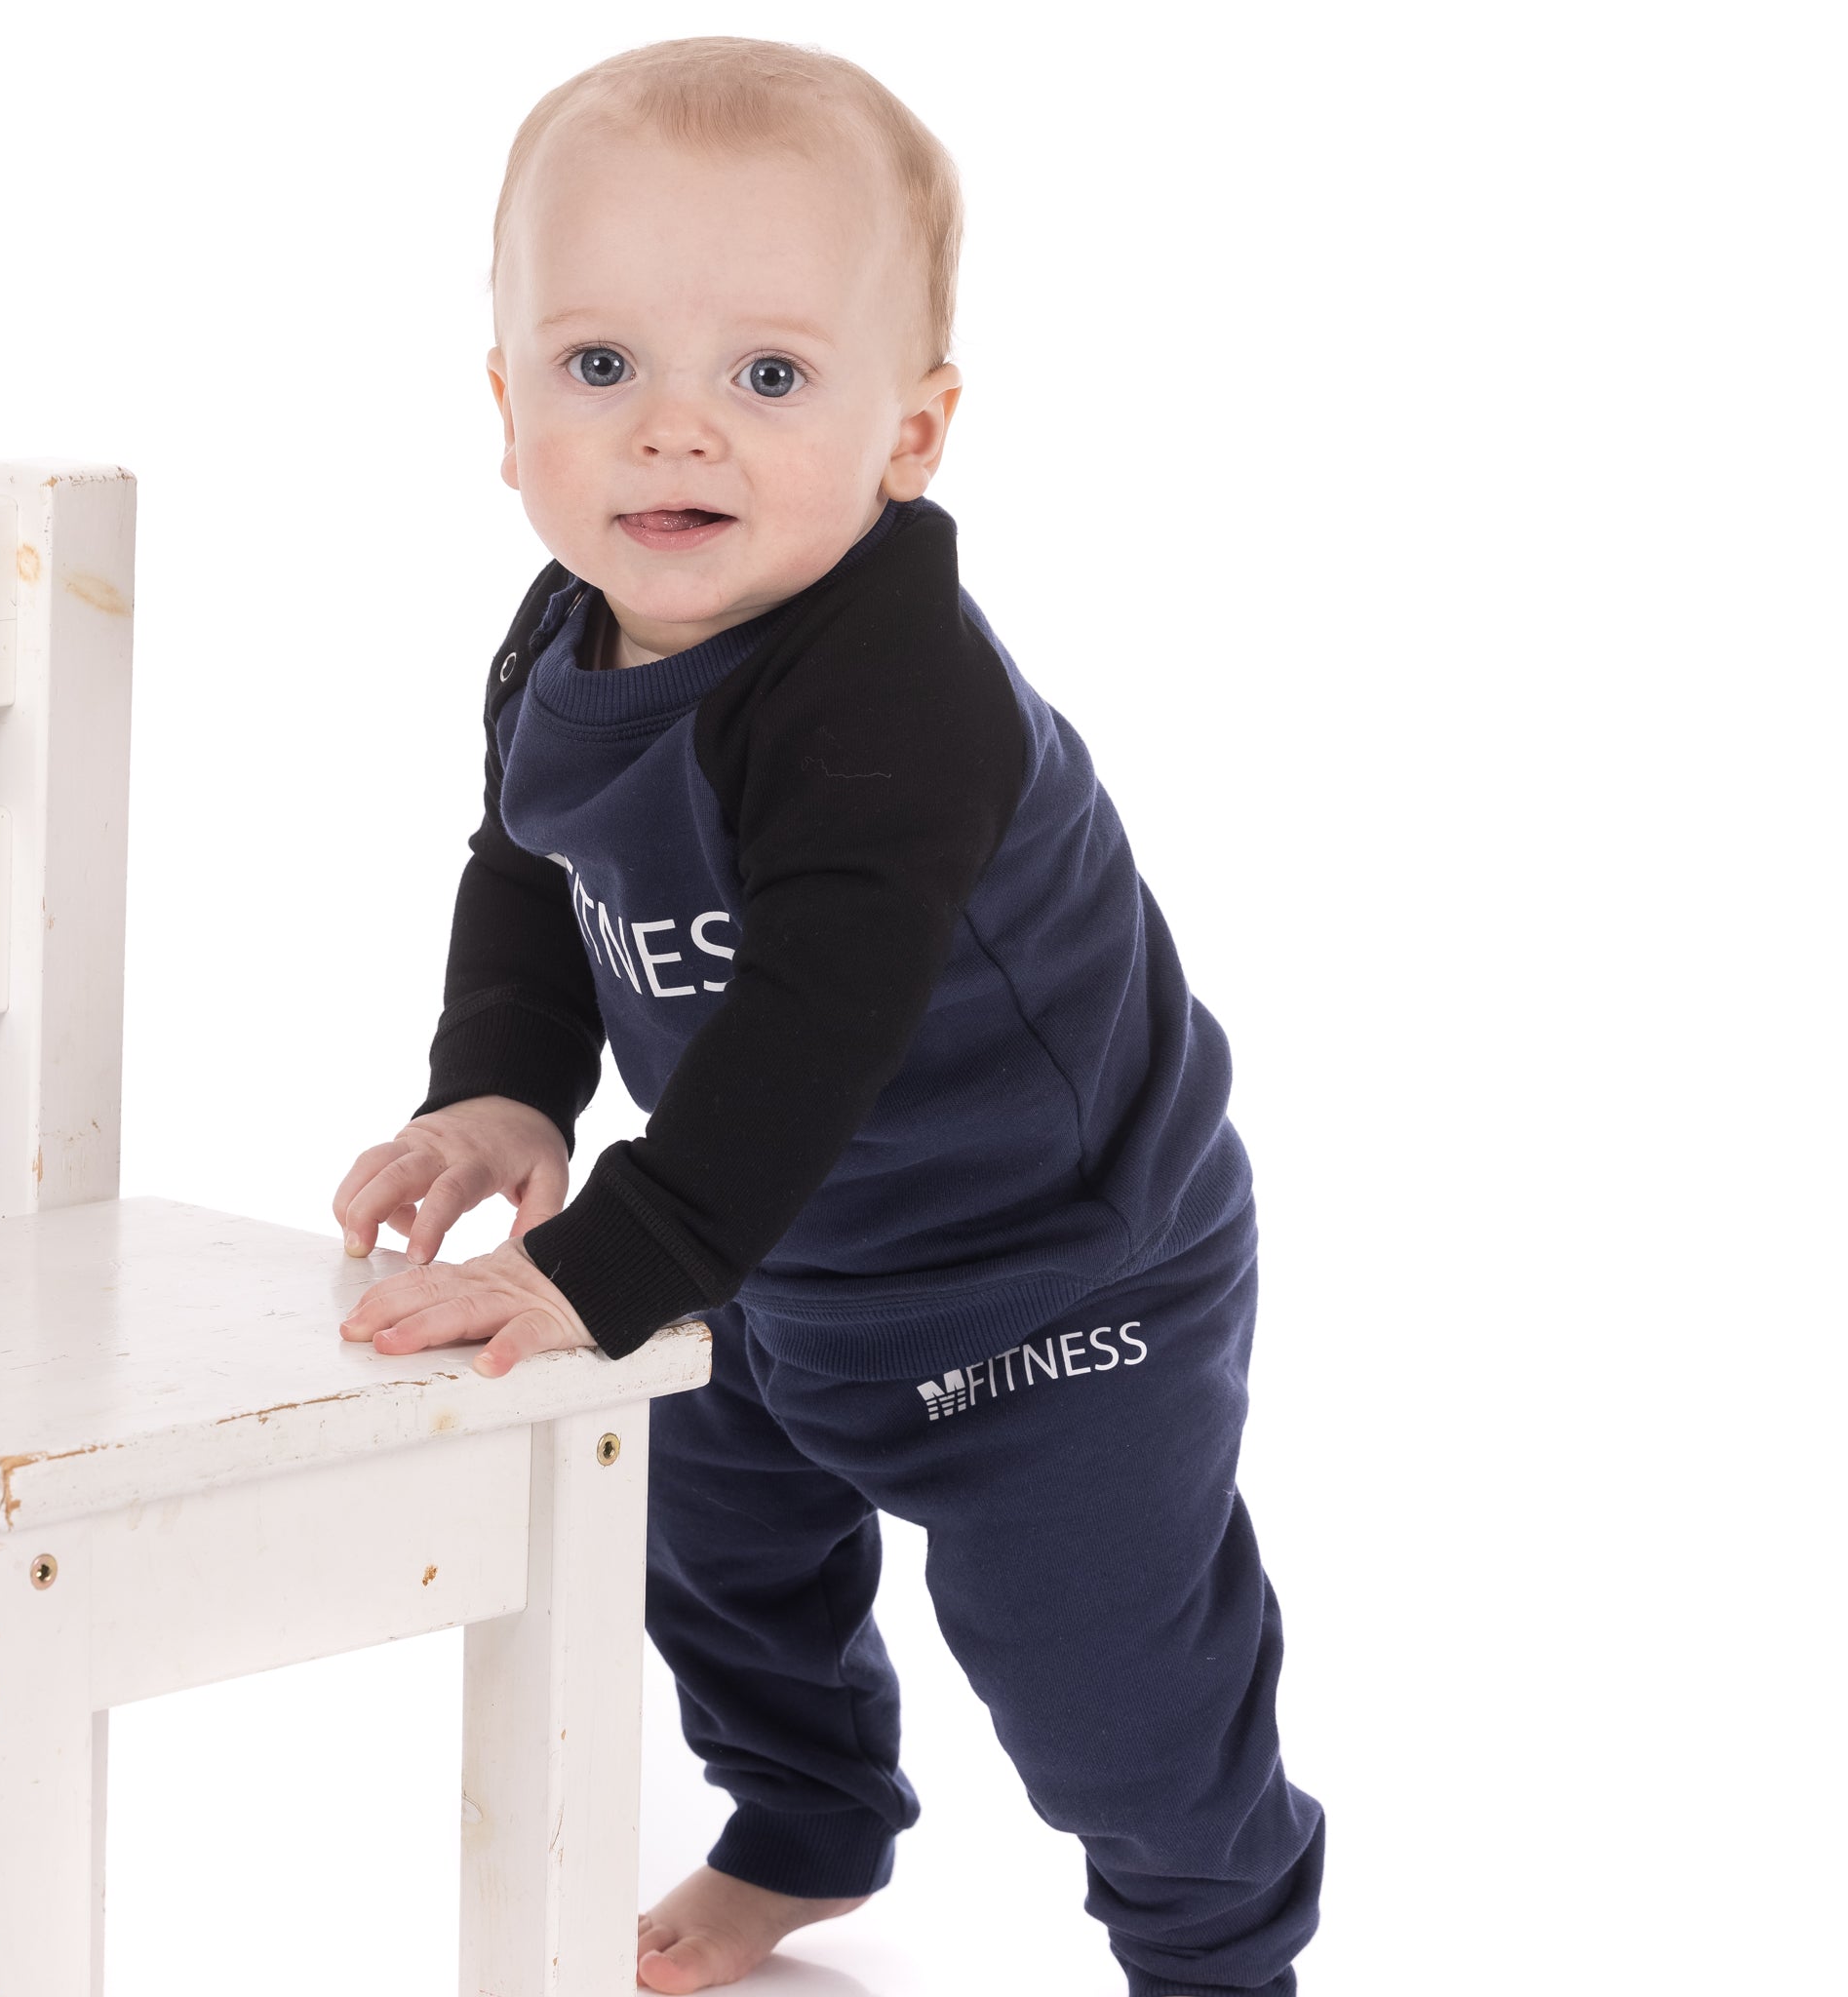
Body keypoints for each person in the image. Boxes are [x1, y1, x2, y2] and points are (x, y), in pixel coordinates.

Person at [334, 34, 1323, 1997]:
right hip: (768, 1249)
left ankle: (1217, 1951)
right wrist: (505, 1089)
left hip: (1052, 1290)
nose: (671, 433)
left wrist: (600, 1265)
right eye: (599, 365)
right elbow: (530, 859)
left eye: (768, 377)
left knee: (1108, 1683)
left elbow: (814, 1025)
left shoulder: (895, 699)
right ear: (506, 408)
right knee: (704, 1552)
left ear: (912, 431)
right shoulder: (563, 635)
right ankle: (802, 1822)